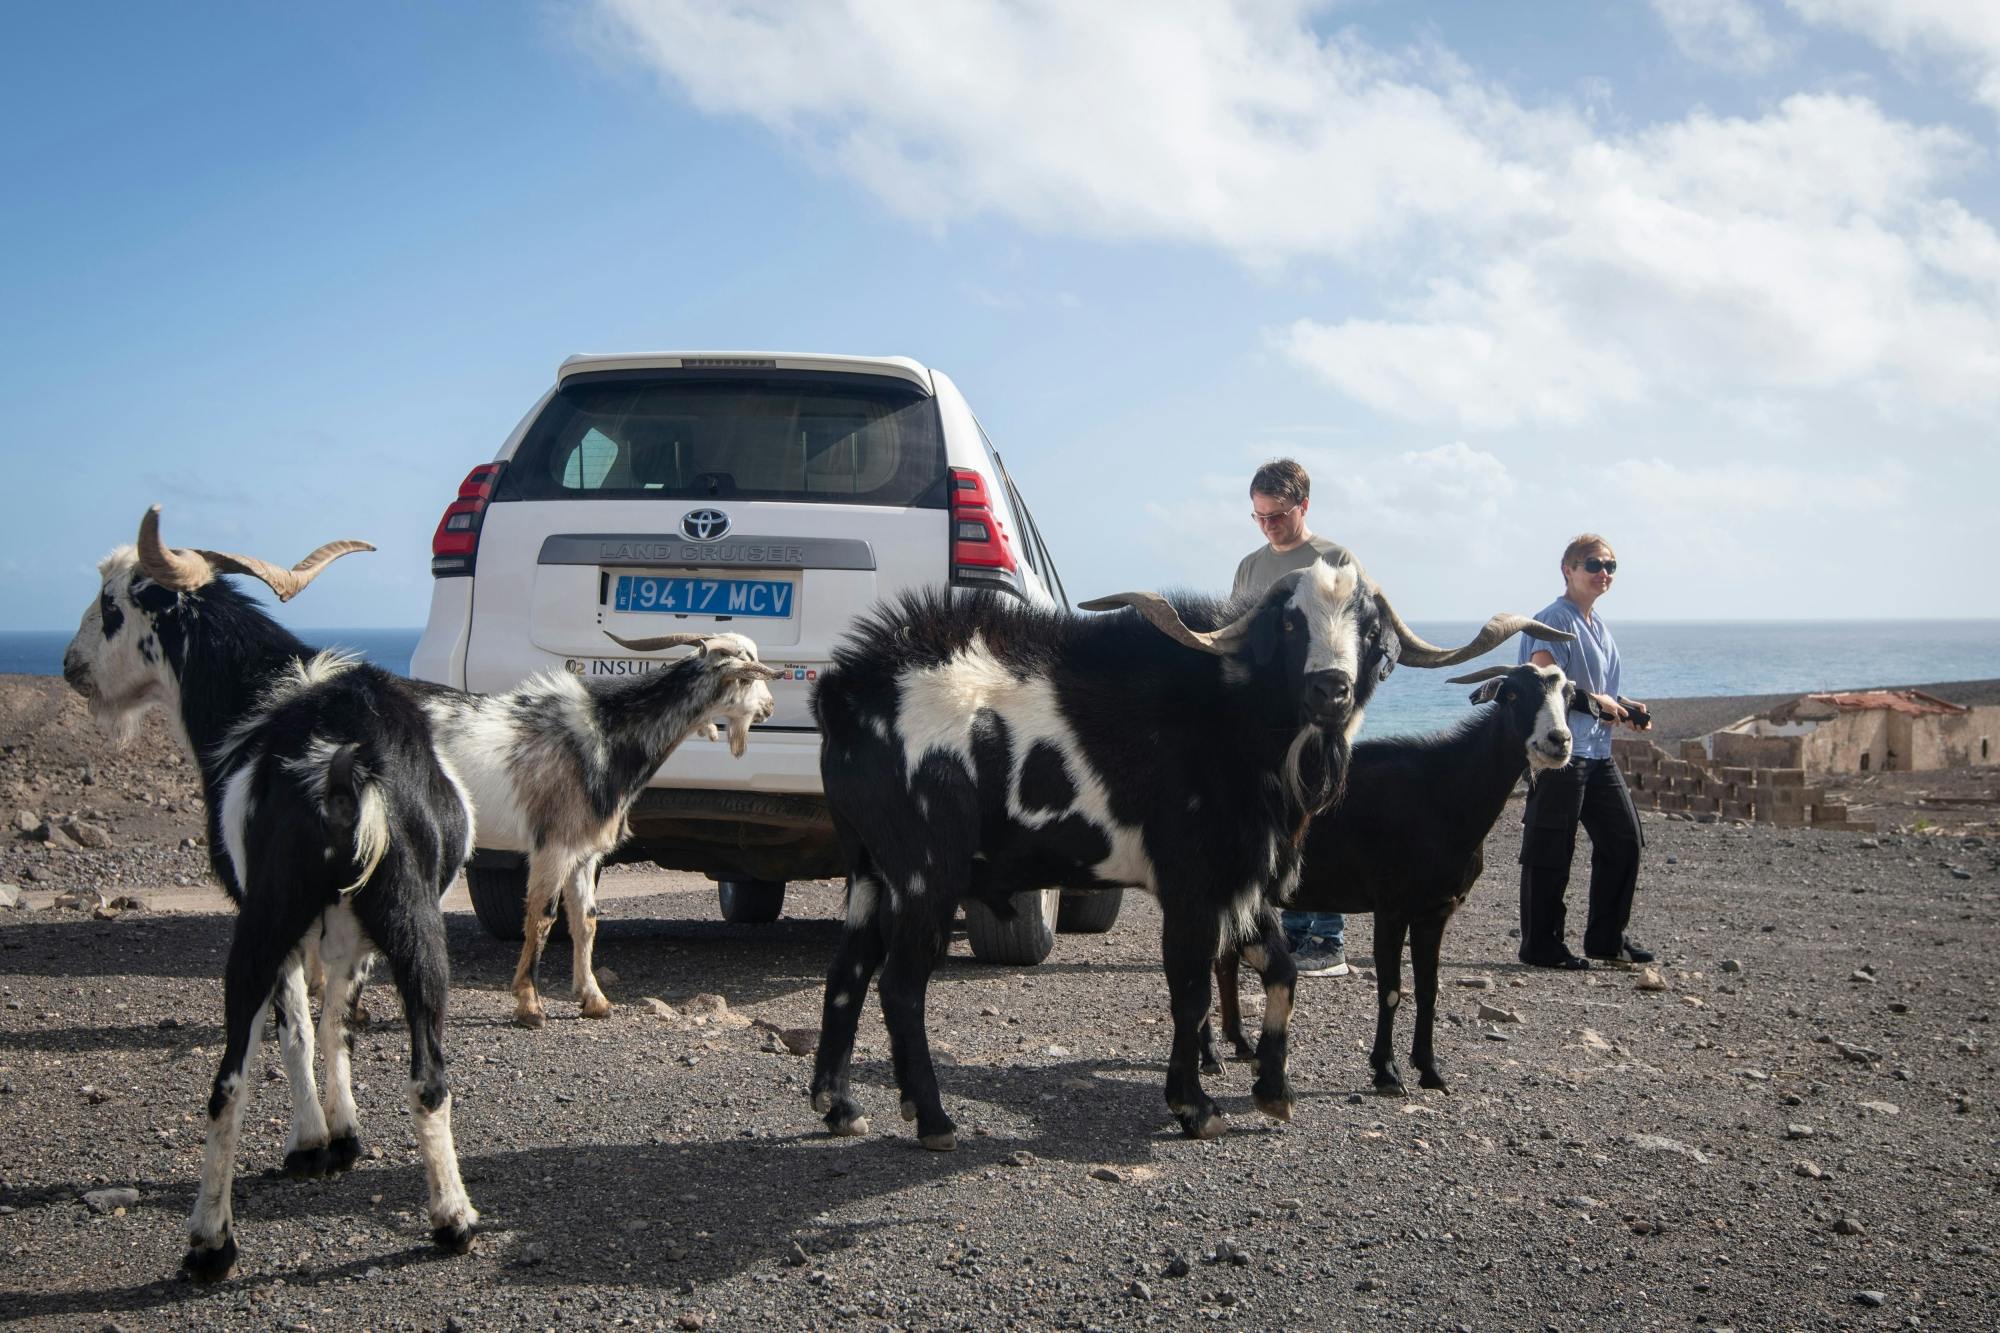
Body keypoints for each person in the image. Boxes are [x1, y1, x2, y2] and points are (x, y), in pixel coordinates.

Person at [1234, 459, 1352, 978]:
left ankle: (1328, 939)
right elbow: (1238, 639)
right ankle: (1289, 932)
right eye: (1258, 517)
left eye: (1277, 516)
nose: (1267, 526)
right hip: (1268, 723)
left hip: (1322, 719)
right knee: (1279, 828)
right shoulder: (1249, 566)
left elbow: (1353, 636)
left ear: (1303, 506)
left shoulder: (1334, 557)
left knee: (1318, 826)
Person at [1516, 534, 1654, 970]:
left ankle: (1606, 940)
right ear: (1568, 570)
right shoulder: (1552, 620)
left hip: (1597, 751)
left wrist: (1624, 705)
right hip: (1560, 752)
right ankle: (1541, 945)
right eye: (1593, 564)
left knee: (1624, 840)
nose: (1603, 573)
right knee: (1551, 848)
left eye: (1611, 566)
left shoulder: (1596, 624)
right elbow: (1541, 682)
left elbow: (1594, 689)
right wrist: (1597, 702)